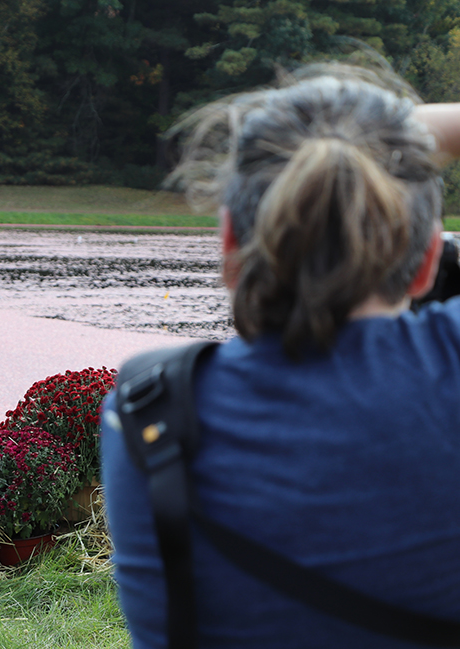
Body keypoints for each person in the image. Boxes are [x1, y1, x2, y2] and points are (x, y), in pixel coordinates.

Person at [101, 64, 460, 647]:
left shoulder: (147, 410)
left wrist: (335, 141)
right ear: (425, 263)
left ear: (228, 249)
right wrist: (384, 135)